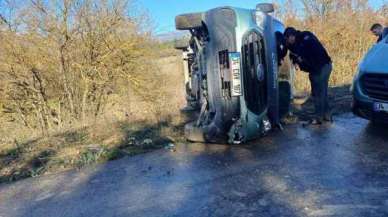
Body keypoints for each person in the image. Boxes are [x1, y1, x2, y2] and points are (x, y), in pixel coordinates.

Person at [284, 27, 332, 125]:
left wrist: (301, 58)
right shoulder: (295, 44)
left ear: (292, 36)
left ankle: (319, 118)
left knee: (318, 93)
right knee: (322, 92)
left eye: (287, 39)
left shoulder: (305, 37)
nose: (287, 42)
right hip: (319, 68)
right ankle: (327, 116)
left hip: (321, 66)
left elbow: (313, 51)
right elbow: (295, 55)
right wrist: (296, 60)